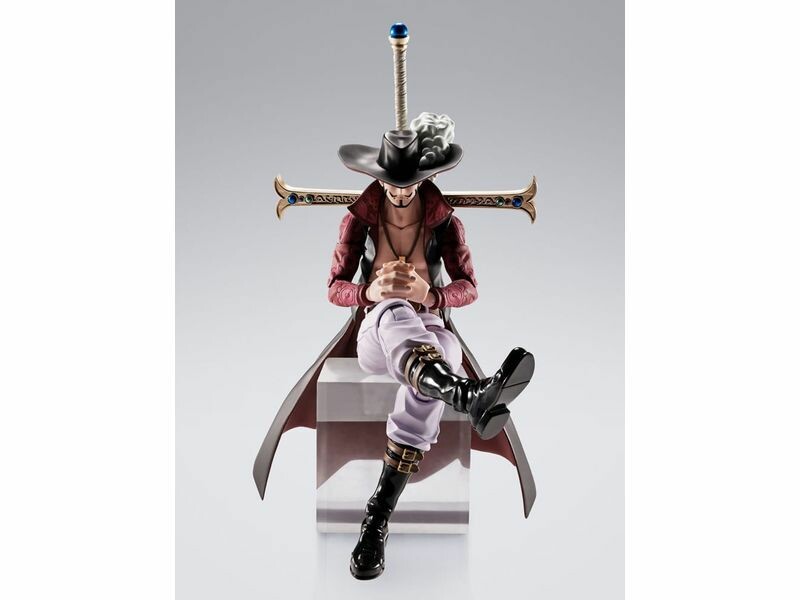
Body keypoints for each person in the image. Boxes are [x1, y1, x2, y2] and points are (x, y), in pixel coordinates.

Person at [331, 113, 536, 580]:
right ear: (377, 178)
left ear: (426, 178)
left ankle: (376, 521)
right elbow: (334, 288)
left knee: (437, 371)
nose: (401, 193)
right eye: (392, 183)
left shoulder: (445, 223)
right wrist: (370, 291)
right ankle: (467, 394)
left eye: (410, 184)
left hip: (428, 325)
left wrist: (432, 295)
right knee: (394, 312)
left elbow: (469, 287)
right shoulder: (357, 221)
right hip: (376, 331)